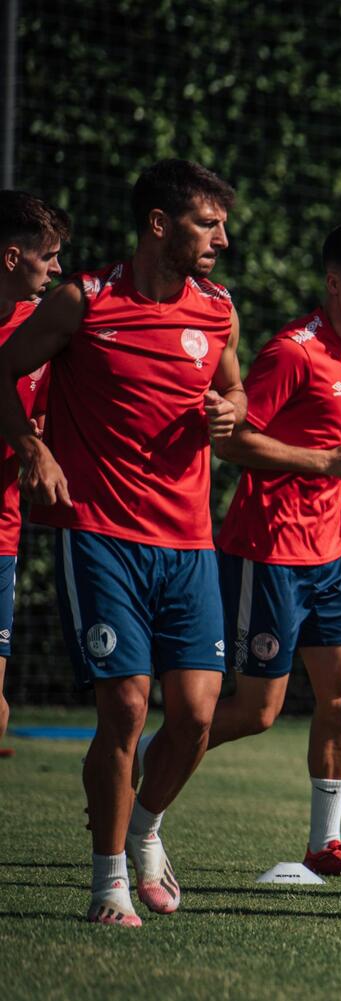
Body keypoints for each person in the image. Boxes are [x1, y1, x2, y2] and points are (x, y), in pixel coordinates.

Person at [0, 159, 245, 926]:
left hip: (190, 543)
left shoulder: (218, 310)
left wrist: (231, 410)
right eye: (208, 224)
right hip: (101, 536)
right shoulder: (85, 299)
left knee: (198, 715)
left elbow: (234, 389)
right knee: (127, 706)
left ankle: (145, 830)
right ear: (159, 225)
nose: (221, 240)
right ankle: (108, 881)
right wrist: (32, 447)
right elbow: (4, 368)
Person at [191, 224, 341, 879]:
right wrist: (325, 464)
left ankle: (325, 845)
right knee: (257, 712)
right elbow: (231, 442)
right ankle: (141, 765)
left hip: (330, 552)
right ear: (333, 283)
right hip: (269, 550)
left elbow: (337, 439)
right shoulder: (292, 352)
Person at [0, 191, 69, 759]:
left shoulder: (42, 329)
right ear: (11, 257)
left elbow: (45, 413)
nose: (57, 269)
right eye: (48, 256)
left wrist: (39, 439)